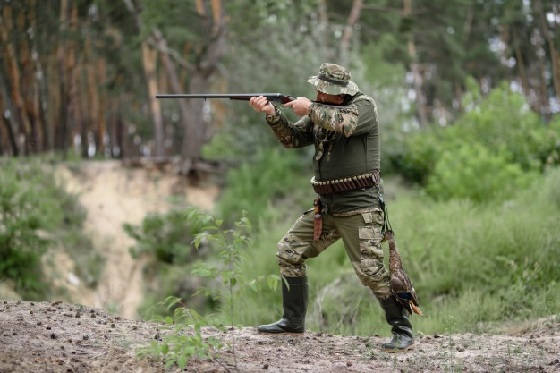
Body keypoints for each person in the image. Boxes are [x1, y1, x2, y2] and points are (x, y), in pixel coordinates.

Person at [248, 63, 414, 351]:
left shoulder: (363, 107)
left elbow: (344, 123)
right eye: (318, 91)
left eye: (325, 92)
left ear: (341, 92)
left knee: (371, 271)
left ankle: (403, 330)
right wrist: (273, 115)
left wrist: (309, 108)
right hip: (326, 207)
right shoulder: (321, 109)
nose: (320, 95)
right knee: (288, 252)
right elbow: (293, 139)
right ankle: (292, 320)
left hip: (359, 207)